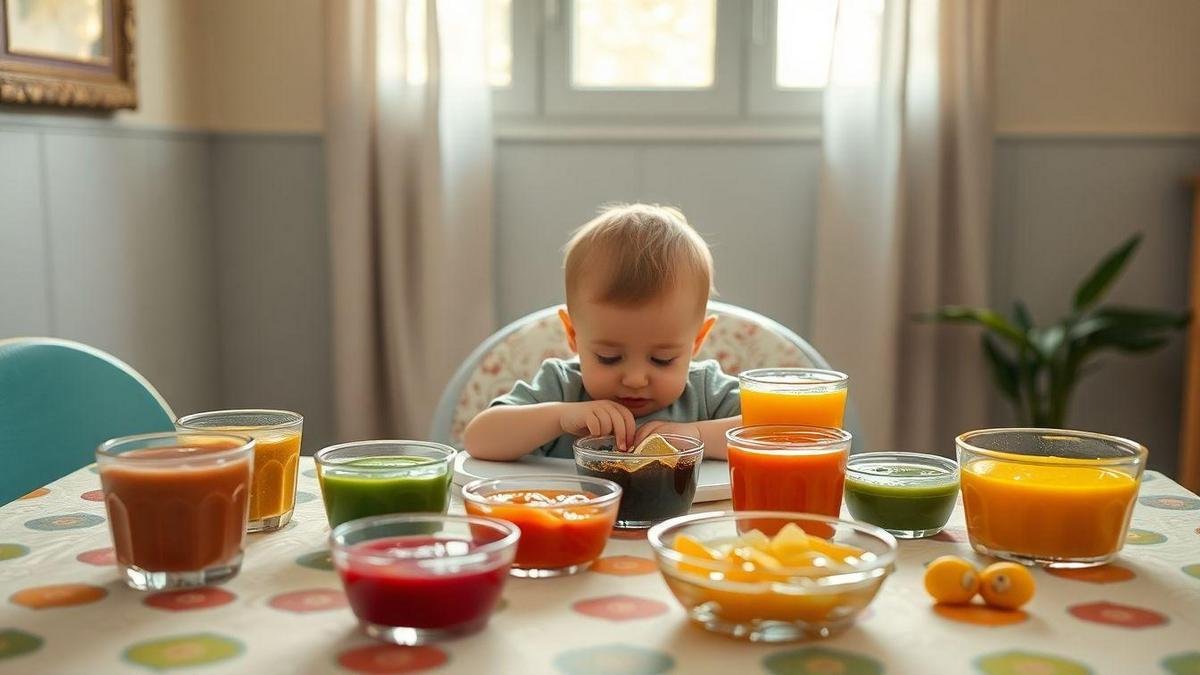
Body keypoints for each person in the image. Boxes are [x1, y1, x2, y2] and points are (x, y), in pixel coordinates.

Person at [463, 203, 741, 461]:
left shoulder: (705, 391)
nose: (635, 379)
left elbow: (777, 430)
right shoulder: (561, 387)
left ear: (697, 341)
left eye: (662, 359)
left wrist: (696, 435)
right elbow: (478, 439)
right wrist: (559, 418)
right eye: (608, 357)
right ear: (573, 335)